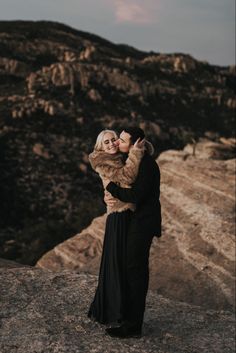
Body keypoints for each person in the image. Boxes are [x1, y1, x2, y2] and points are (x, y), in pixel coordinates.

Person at [104, 127, 162, 338]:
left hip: (144, 223)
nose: (118, 142)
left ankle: (132, 326)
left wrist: (111, 188)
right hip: (137, 221)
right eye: (118, 138)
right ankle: (127, 318)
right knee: (132, 269)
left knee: (135, 271)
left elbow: (136, 195)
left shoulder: (147, 165)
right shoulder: (135, 160)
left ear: (137, 143)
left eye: (122, 139)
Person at [87, 129, 145, 325]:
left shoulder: (120, 156)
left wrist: (138, 147)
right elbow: (127, 177)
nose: (111, 144)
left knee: (123, 263)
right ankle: (113, 311)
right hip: (118, 215)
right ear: (99, 147)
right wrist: (136, 153)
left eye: (114, 140)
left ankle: (120, 309)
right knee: (117, 263)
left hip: (126, 212)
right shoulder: (103, 162)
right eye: (106, 142)